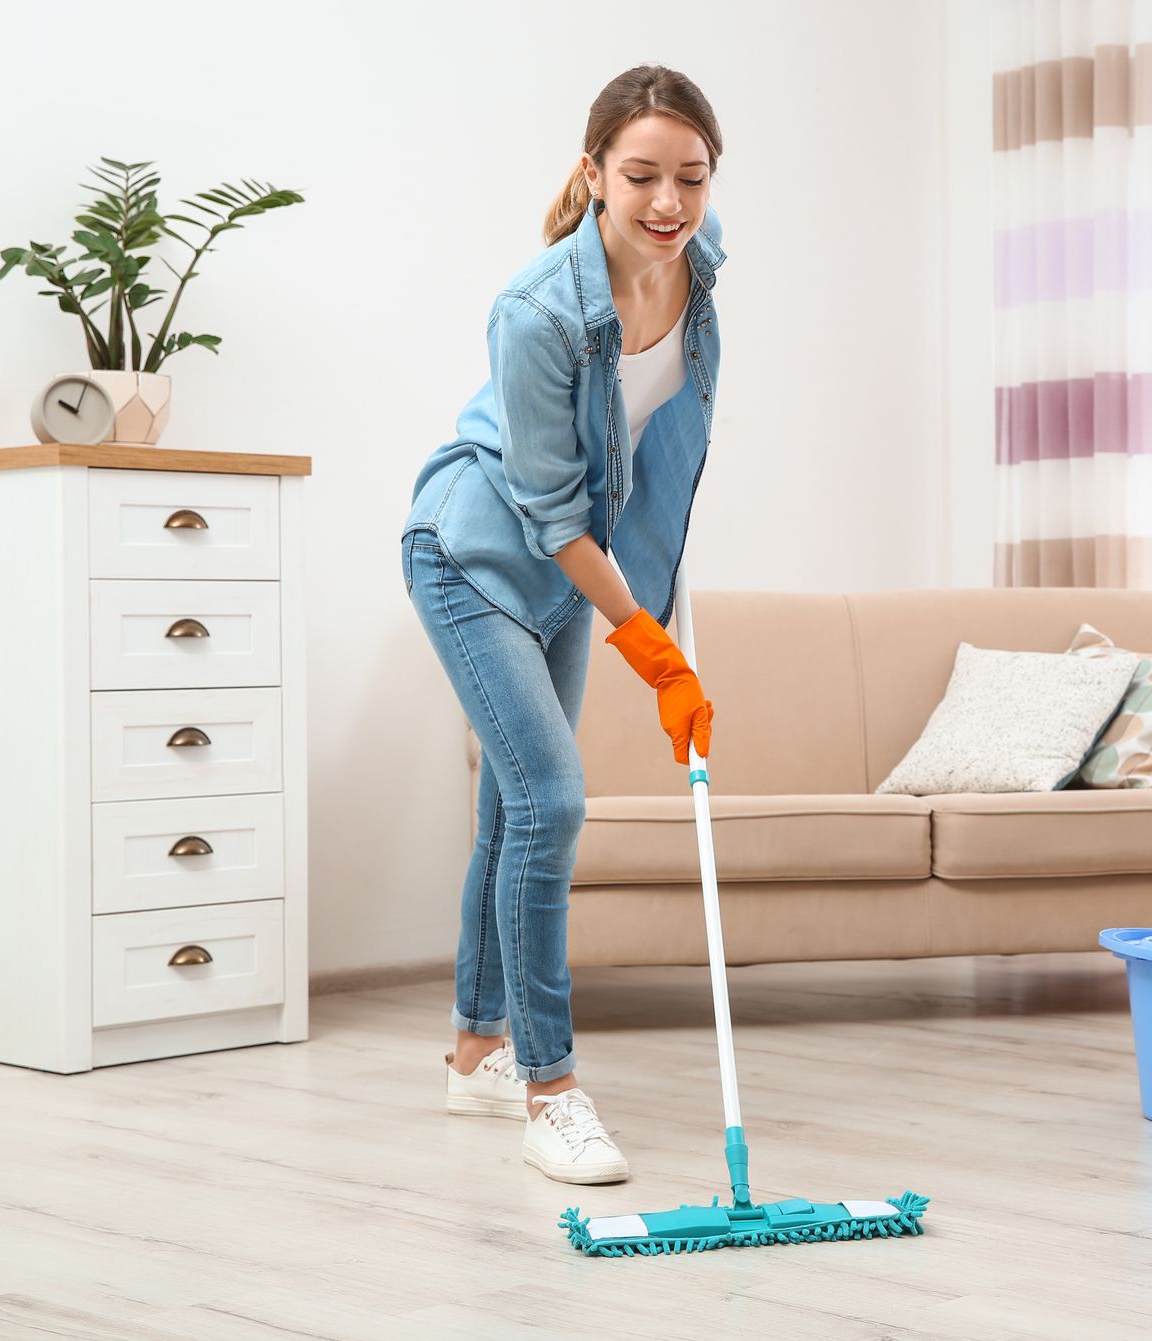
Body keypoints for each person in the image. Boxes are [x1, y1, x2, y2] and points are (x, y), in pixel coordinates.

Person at [400, 64, 724, 1184]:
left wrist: (661, 598)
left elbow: (652, 446)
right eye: (640, 176)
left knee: (509, 810)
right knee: (552, 800)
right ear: (593, 174)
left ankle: (474, 1052)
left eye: (691, 176)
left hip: (563, 571)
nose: (668, 203)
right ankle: (552, 1089)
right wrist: (650, 642)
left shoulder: (699, 264)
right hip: (474, 557)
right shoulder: (537, 311)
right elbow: (544, 513)